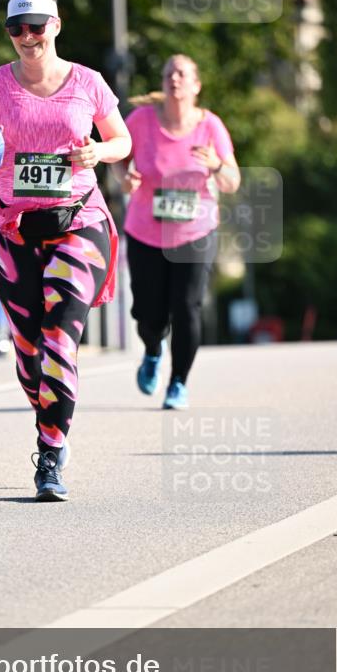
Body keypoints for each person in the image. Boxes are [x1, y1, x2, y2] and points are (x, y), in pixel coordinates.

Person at [0, 0, 131, 501]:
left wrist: (96, 153)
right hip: (12, 227)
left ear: (55, 25)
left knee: (60, 336)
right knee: (30, 347)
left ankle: (51, 453)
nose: (27, 37)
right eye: (17, 28)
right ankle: (48, 415)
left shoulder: (87, 81)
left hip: (79, 217)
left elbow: (121, 140)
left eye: (36, 25)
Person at [113, 54, 241, 410]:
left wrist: (216, 165)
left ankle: (178, 383)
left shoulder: (210, 126)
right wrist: (126, 178)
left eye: (183, 74)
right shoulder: (140, 121)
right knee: (148, 313)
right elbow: (119, 160)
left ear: (196, 85)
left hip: (195, 232)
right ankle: (154, 349)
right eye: (169, 73)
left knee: (187, 308)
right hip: (145, 231)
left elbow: (232, 181)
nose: (175, 79)